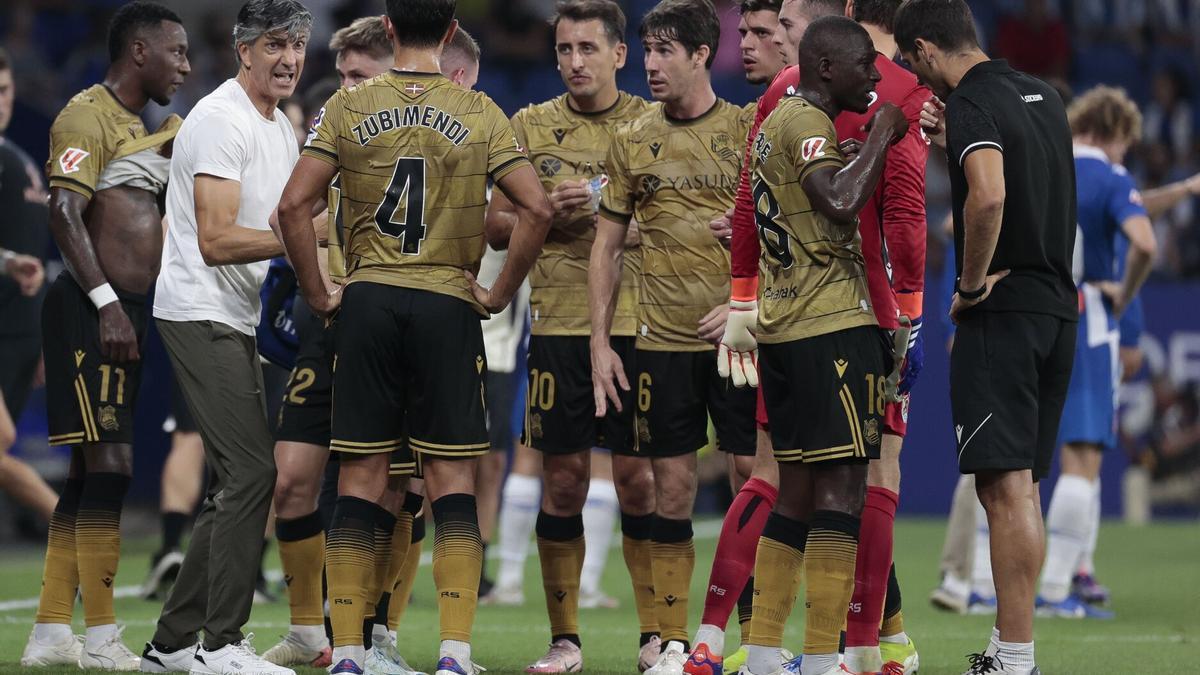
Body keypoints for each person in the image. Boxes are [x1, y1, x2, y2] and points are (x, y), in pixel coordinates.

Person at [275, 0, 552, 672]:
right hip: (446, 302)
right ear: (453, 32)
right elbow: (538, 208)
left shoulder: (347, 106)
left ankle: (346, 654)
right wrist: (497, 292)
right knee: (453, 481)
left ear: (390, 30)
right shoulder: (480, 110)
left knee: (362, 479)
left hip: (366, 300)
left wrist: (319, 292)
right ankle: (454, 653)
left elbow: (291, 206)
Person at [263, 19, 483, 675]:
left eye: (360, 75)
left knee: (398, 486)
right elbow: (301, 209)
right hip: (331, 318)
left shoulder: (423, 128)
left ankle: (372, 636)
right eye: (346, 75)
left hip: (387, 318)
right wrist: (315, 289)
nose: (345, 87)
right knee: (293, 478)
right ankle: (311, 631)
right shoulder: (341, 124)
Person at [715, 1, 929, 672]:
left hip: (785, 326)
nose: (877, 76)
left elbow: (756, 208)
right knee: (842, 493)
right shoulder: (807, 120)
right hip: (830, 325)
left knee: (798, 493)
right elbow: (840, 199)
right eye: (866, 64)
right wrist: (882, 134)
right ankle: (820, 656)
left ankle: (764, 651)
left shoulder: (777, 117)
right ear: (828, 66)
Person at [896, 1, 1078, 672]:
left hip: (1003, 311)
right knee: (1021, 488)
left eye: (912, 61)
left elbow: (991, 195)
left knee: (1002, 491)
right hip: (1057, 307)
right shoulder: (1045, 96)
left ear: (924, 48)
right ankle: (1009, 646)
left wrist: (969, 289)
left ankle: (1016, 659)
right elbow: (1034, 185)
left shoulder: (971, 102)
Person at [19, 2, 190, 670]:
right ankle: (100, 635)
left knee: (91, 471)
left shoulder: (134, 126)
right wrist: (107, 303)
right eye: (176, 53)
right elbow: (64, 212)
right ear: (140, 51)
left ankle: (50, 631)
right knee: (113, 467)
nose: (184, 65)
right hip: (93, 311)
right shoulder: (83, 114)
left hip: (125, 312)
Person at [483, 1, 653, 671]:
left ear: (619, 54)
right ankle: (565, 640)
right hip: (556, 324)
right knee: (563, 482)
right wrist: (543, 211)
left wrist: (607, 216)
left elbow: (677, 227)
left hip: (642, 326)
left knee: (641, 483)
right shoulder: (528, 125)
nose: (574, 61)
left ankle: (655, 635)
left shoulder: (650, 124)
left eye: (588, 48)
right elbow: (496, 227)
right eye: (563, 49)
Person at [142, 2, 311, 673]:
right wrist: (302, 240)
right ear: (244, 50)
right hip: (197, 308)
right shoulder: (219, 119)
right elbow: (214, 240)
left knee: (236, 480)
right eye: (275, 44)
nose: (290, 58)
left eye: (298, 44)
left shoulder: (279, 128)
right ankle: (220, 644)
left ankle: (172, 644)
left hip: (235, 316)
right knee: (251, 472)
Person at [589, 1, 755, 672]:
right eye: (646, 50)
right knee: (670, 488)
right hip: (660, 340)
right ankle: (673, 639)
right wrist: (601, 342)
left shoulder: (746, 130)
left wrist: (749, 298)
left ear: (700, 54)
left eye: (664, 52)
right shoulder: (633, 138)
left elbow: (788, 232)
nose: (650, 64)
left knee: (751, 479)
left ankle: (757, 638)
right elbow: (605, 248)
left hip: (740, 338)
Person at [684, 2, 789, 672]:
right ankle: (747, 635)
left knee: (836, 483)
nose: (744, 47)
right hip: (759, 321)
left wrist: (749, 298)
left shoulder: (812, 114)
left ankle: (866, 635)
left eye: (763, 34)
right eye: (741, 33)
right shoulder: (762, 119)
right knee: (753, 470)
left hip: (808, 320)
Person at [1035, 86, 1156, 621]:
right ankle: (1058, 588)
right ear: (1113, 132)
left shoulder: (1038, 161)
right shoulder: (1110, 177)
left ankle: (983, 582)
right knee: (1082, 457)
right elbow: (1146, 244)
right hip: (1087, 319)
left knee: (1021, 462)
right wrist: (1124, 296)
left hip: (1029, 314)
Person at [0, 45, 57, 525]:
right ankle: (75, 537)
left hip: (19, 334)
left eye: (3, 90)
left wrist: (40, 338)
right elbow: (16, 258)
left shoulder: (18, 158)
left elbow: (34, 256)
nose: (0, 101)